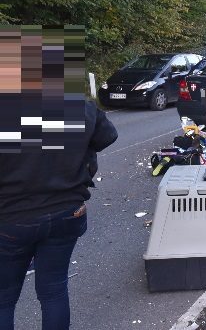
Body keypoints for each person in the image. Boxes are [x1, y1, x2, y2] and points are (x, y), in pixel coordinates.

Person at [0, 26, 118, 330]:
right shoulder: (77, 105)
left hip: (12, 218)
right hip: (68, 211)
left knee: (4, 297)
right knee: (53, 290)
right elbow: (107, 136)